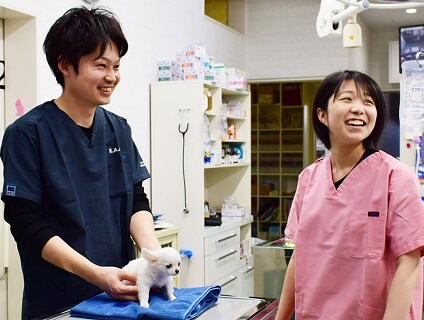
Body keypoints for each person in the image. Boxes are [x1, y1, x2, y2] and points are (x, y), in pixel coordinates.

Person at [0, 6, 161, 319]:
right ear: (65, 65)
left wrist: (154, 256)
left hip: (122, 298)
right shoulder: (27, 134)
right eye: (100, 65)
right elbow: (25, 221)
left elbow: (135, 199)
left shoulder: (119, 128)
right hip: (60, 302)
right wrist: (96, 274)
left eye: (116, 66)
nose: (112, 76)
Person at [275, 70, 424, 319]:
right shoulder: (309, 179)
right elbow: (299, 256)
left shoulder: (395, 177)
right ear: (322, 114)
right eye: (347, 99)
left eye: (368, 102)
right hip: (313, 312)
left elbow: (409, 263)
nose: (359, 108)